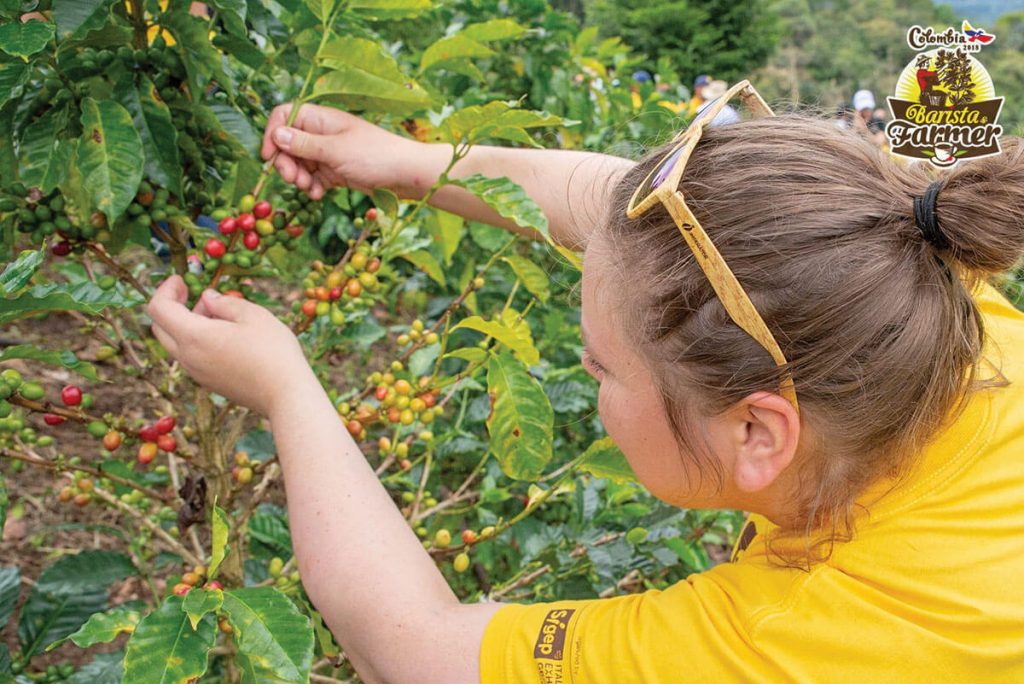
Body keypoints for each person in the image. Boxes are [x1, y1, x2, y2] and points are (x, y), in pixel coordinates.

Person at [146, 94, 1024, 682]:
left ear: (759, 433)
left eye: (601, 366)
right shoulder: (917, 291)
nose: (585, 375)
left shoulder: (795, 647)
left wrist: (287, 390)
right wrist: (411, 163)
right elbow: (640, 214)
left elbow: (415, 654)